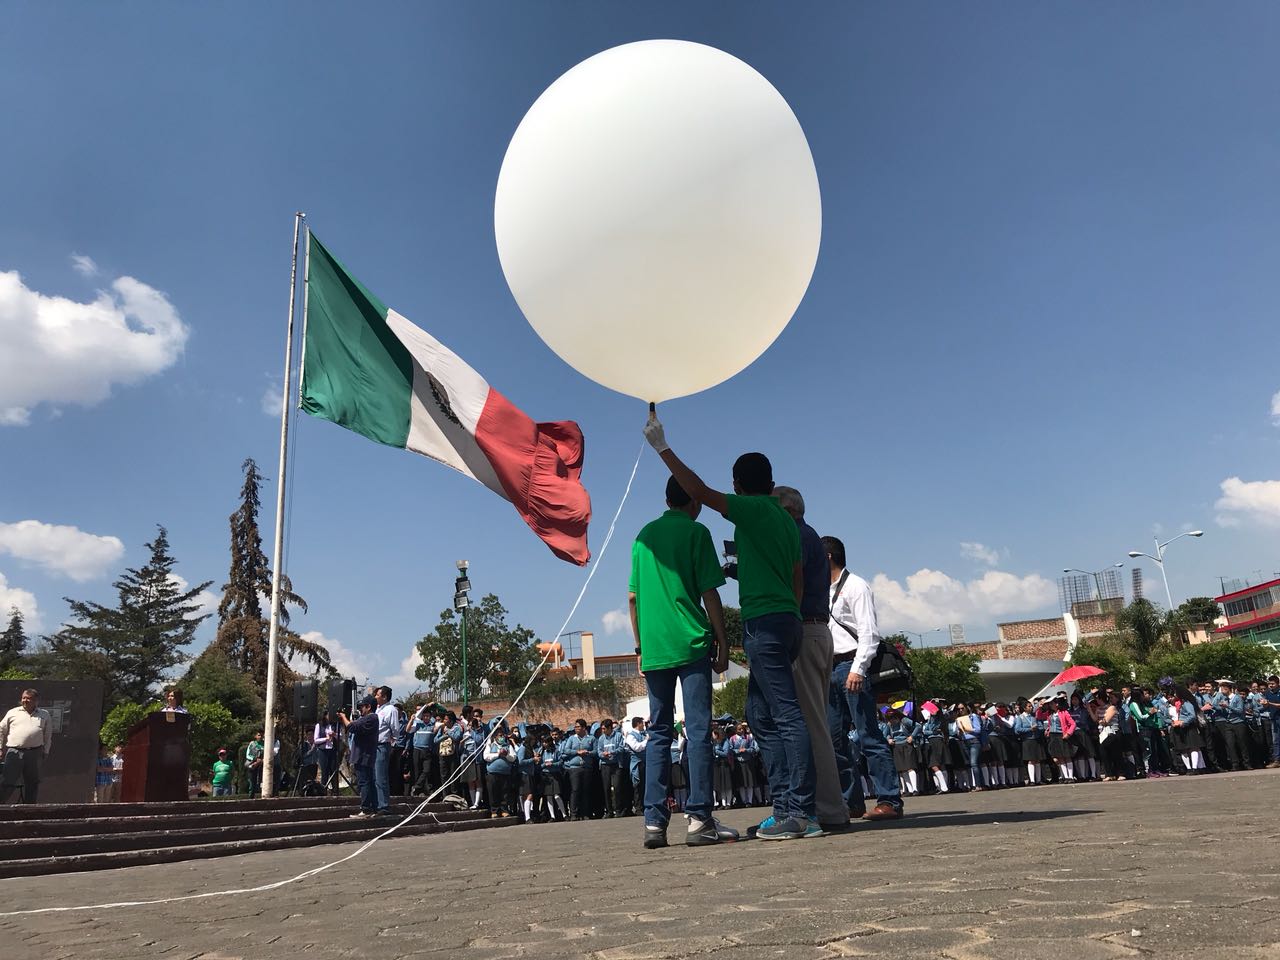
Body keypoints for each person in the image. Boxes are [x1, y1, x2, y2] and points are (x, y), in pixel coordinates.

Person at [643, 413, 814, 842]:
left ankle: (801, 812)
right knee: (760, 714)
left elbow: (698, 491)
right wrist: (790, 613)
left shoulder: (753, 510)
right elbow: (797, 575)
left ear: (738, 485)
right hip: (785, 621)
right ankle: (783, 809)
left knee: (785, 714)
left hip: (764, 623)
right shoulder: (783, 518)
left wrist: (662, 447)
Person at [630, 473, 739, 849]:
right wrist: (723, 640)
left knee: (658, 733)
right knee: (697, 731)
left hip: (655, 648)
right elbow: (709, 592)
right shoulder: (697, 534)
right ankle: (698, 818)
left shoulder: (643, 536)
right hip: (691, 643)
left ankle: (654, 823)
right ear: (693, 501)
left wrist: (640, 647)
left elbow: (632, 598)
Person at [773, 486, 847, 831]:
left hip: (804, 629)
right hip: (816, 630)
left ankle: (826, 809)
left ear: (786, 509)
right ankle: (829, 806)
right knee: (814, 721)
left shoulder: (797, 536)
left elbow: (793, 580)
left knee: (809, 724)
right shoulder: (810, 536)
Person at [823, 536, 903, 821]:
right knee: (834, 740)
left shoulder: (855, 585)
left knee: (868, 735)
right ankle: (851, 802)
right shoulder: (821, 590)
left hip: (851, 664)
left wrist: (858, 668)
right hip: (828, 669)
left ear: (828, 557)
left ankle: (889, 800)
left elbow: (869, 632)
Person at [0, 689, 53, 804]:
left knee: (32, 783)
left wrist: (46, 751)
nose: (25, 700)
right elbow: (1, 729)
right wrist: (0, 748)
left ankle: (29, 810)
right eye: (23, 697)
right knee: (8, 782)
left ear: (36, 701)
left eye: (28, 698)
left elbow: (48, 735)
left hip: (35, 753)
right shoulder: (12, 712)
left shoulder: (44, 714)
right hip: (14, 752)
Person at [338, 696, 381, 817]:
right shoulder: (368, 718)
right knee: (368, 782)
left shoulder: (370, 718)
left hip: (364, 756)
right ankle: (372, 807)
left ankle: (366, 809)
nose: (360, 709)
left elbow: (352, 727)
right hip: (364, 755)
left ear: (368, 707)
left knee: (364, 782)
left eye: (362, 706)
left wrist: (343, 717)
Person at [373, 685, 398, 815]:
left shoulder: (390, 709)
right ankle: (376, 803)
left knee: (381, 776)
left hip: (383, 745)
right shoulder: (376, 709)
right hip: (373, 746)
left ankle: (384, 805)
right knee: (374, 776)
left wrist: (391, 740)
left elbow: (395, 729)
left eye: (378, 695)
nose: (375, 697)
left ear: (384, 697)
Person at [595, 718, 625, 818]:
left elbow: (621, 748)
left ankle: (619, 810)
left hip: (616, 764)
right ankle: (609, 811)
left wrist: (612, 752)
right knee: (606, 788)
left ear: (610, 728)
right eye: (602, 729)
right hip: (605, 765)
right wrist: (604, 755)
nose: (603, 731)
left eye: (604, 729)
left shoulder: (618, 736)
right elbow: (599, 751)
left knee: (617, 787)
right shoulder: (601, 738)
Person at [624, 717, 648, 816]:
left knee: (645, 786)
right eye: (642, 723)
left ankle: (645, 806)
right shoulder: (631, 736)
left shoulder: (644, 734)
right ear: (638, 724)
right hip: (637, 764)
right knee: (638, 786)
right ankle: (639, 808)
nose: (643, 725)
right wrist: (646, 741)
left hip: (645, 762)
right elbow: (637, 748)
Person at [313, 711, 338, 795]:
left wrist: (334, 735)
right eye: (328, 716)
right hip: (323, 750)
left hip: (332, 750)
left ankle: (335, 791)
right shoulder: (319, 725)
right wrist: (325, 739)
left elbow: (341, 736)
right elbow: (316, 740)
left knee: (333, 770)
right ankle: (323, 791)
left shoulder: (335, 725)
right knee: (325, 771)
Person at [246, 731, 265, 797]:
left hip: (263, 765)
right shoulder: (252, 744)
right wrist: (255, 759)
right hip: (253, 765)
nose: (261, 736)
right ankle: (251, 796)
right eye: (259, 735)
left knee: (262, 782)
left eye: (262, 735)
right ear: (255, 736)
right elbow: (248, 755)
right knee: (252, 782)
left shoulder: (265, 744)